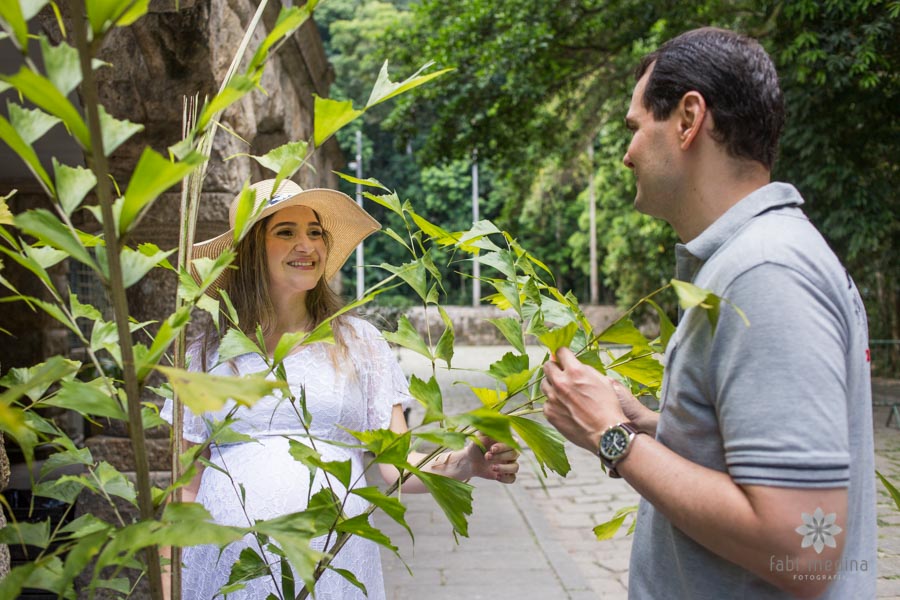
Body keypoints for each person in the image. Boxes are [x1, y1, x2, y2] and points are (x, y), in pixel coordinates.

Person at [541, 27, 876, 599]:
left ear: (689, 119)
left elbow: (804, 547)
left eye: (636, 127)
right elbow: (750, 465)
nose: (627, 155)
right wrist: (652, 422)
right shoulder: (757, 260)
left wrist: (613, 437)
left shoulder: (766, 273)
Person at [161, 178, 519, 600]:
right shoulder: (205, 353)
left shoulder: (359, 342)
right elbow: (184, 488)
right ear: (250, 251)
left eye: (315, 232)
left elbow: (394, 466)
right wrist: (168, 590)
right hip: (224, 571)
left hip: (335, 564)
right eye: (285, 231)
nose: (306, 245)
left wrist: (466, 462)